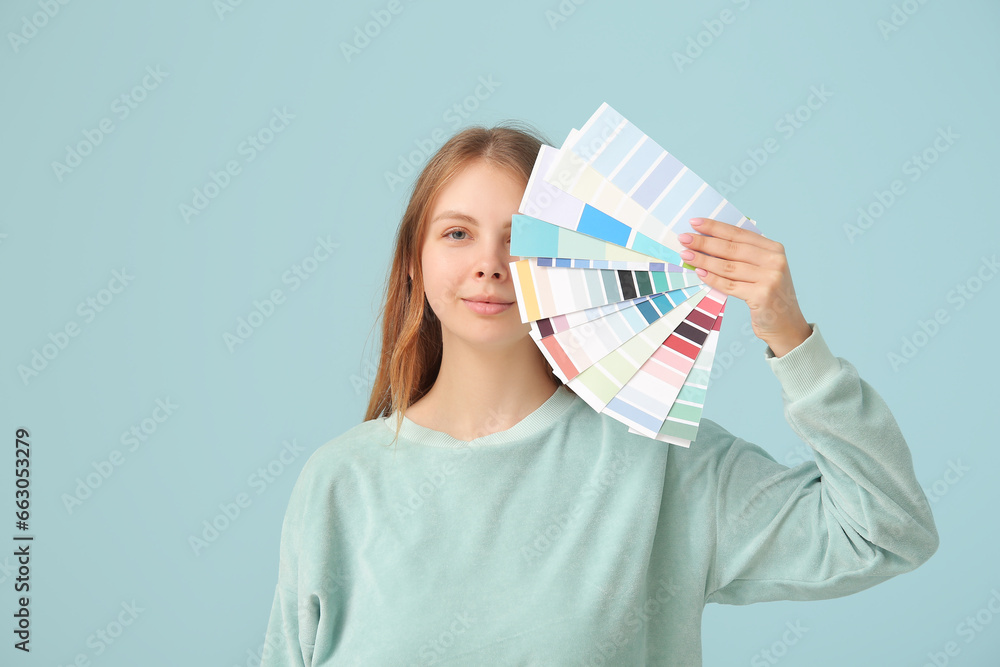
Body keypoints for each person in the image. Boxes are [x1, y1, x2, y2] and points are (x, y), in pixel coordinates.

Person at [260, 122, 939, 666]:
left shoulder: (658, 456)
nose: (489, 262)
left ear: (567, 257)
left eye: (521, 237)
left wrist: (791, 338)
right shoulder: (339, 483)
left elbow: (884, 531)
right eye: (457, 233)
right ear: (415, 260)